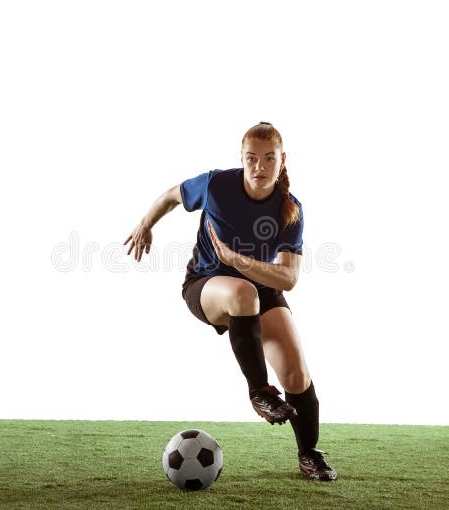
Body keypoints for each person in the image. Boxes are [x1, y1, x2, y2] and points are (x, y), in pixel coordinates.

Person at [123, 122, 336, 481]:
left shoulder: (291, 210)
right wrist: (146, 223)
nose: (259, 167)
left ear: (282, 161)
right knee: (242, 292)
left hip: (260, 287)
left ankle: (309, 455)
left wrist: (238, 260)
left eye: (269, 159)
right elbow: (173, 196)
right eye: (251, 158)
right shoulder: (216, 185)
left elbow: (288, 279)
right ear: (241, 159)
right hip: (207, 285)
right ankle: (259, 391)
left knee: (296, 373)